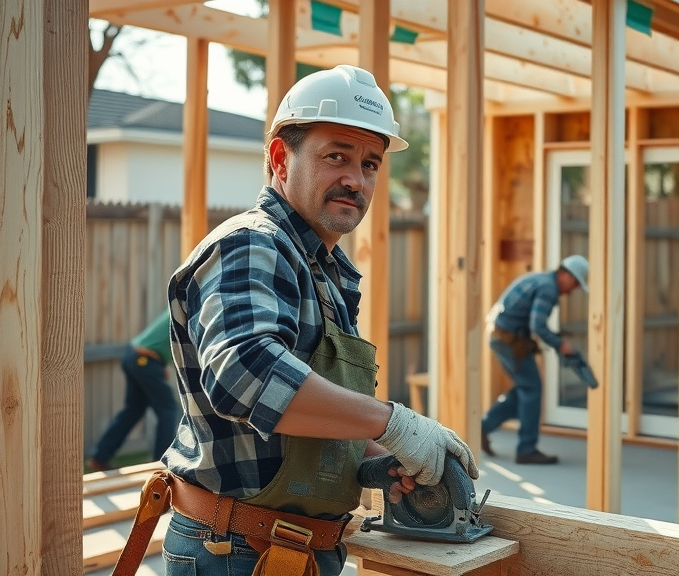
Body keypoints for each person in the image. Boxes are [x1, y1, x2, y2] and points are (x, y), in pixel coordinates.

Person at [113, 65, 477, 576]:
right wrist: (394, 422)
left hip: (290, 549)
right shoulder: (251, 245)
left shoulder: (324, 270)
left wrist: (372, 455)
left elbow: (300, 412)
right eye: (337, 157)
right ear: (281, 158)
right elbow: (245, 375)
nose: (356, 179)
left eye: (371, 164)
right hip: (234, 551)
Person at [481, 255, 589, 465]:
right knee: (532, 389)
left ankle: (484, 426)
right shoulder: (548, 289)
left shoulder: (539, 279)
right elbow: (537, 325)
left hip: (499, 335)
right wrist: (560, 344)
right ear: (566, 275)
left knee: (525, 388)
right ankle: (526, 449)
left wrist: (554, 336)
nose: (573, 290)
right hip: (508, 339)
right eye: (575, 283)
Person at [87, 308, 182, 472]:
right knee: (168, 409)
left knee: (134, 409)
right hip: (144, 359)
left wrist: (160, 364)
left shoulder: (178, 305)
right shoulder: (187, 308)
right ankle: (160, 466)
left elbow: (165, 341)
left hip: (136, 355)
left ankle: (100, 457)